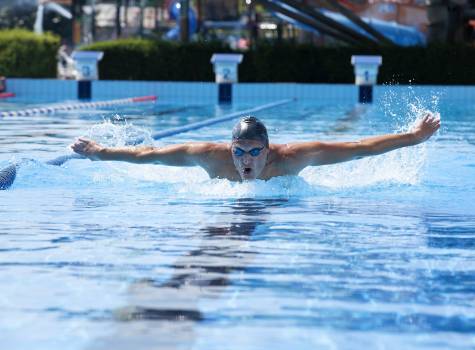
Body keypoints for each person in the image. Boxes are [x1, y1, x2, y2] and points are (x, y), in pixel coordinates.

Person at [71, 114, 440, 182]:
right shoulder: (210, 157)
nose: (245, 160)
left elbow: (359, 147)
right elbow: (146, 156)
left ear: (267, 150)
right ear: (230, 148)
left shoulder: (293, 158)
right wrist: (99, 151)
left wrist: (412, 137)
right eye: (239, 151)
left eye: (253, 152)